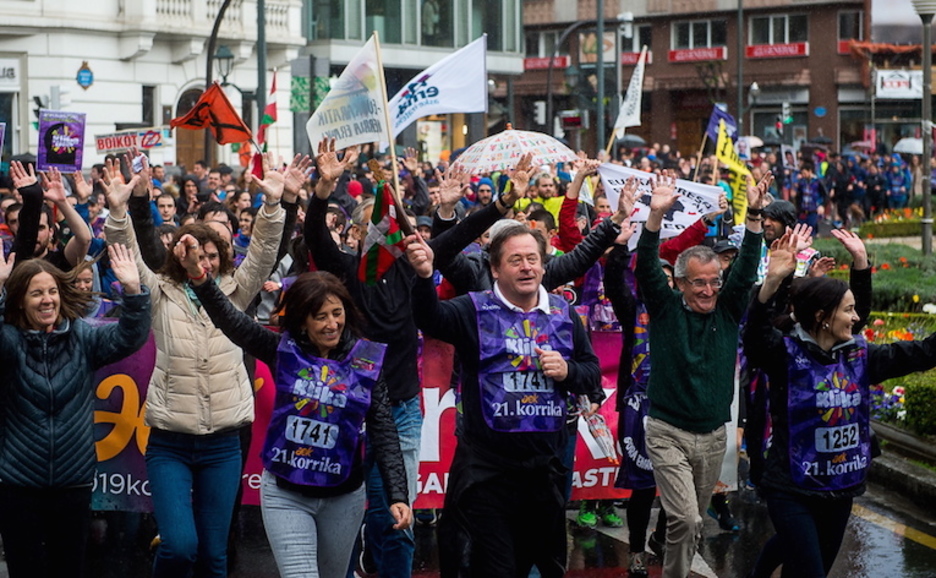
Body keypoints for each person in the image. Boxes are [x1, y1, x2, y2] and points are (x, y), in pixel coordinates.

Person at [103, 153, 286, 577]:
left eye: (212, 254)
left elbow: (262, 253)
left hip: (223, 443)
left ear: (222, 256)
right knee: (180, 547)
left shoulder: (236, 292)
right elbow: (128, 251)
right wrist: (117, 211)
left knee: (214, 555)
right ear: (179, 254)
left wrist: (274, 207)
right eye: (194, 252)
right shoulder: (160, 291)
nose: (204, 261)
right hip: (170, 442)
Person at [185, 265, 412, 578]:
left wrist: (398, 495)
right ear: (303, 320)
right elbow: (232, 322)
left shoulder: (366, 361)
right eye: (321, 316)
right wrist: (201, 281)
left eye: (337, 313)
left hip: (344, 497)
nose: (332, 324)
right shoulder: (282, 349)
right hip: (285, 492)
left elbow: (383, 429)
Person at [406, 225, 603, 577]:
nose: (527, 267)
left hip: (543, 476)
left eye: (533, 259)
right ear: (496, 269)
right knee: (497, 569)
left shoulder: (562, 314)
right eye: (516, 260)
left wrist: (567, 371)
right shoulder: (473, 309)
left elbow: (591, 372)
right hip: (487, 475)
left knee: (540, 566)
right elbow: (429, 318)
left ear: (544, 265)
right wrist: (423, 278)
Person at [744, 231, 936, 578]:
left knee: (804, 565)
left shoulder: (861, 356)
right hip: (791, 487)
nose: (856, 318)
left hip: (840, 489)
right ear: (822, 317)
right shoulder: (785, 355)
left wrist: (861, 263)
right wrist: (772, 281)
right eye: (847, 311)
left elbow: (922, 353)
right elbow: (754, 335)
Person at [634, 170, 769, 578]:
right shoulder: (664, 306)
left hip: (712, 436)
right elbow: (644, 268)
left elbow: (745, 270)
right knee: (690, 520)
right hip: (667, 432)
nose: (709, 291)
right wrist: (655, 216)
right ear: (679, 283)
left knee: (688, 528)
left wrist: (755, 216)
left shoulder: (728, 310)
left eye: (715, 282)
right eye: (699, 284)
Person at [0, 243, 151, 578]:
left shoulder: (82, 336)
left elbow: (130, 338)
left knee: (68, 569)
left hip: (73, 483)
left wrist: (132, 290)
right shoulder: (10, 340)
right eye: (36, 293)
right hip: (19, 485)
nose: (47, 299)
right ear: (21, 300)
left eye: (52, 291)